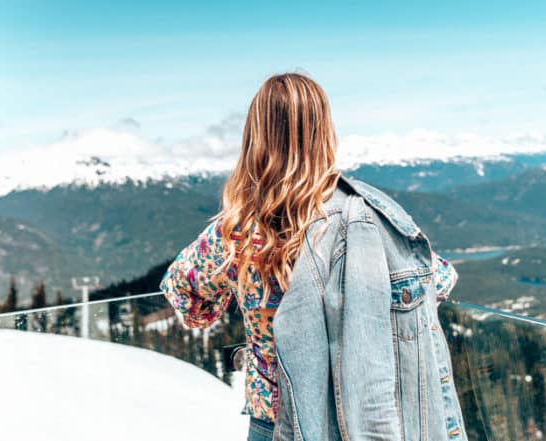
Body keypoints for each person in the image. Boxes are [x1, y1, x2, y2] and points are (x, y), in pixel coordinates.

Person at [159, 72, 463, 441]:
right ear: (324, 133)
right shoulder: (360, 220)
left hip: (272, 423)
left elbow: (183, 293)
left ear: (255, 138)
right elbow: (437, 279)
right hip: (351, 416)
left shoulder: (235, 232)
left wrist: (231, 300)